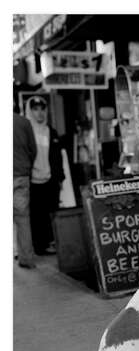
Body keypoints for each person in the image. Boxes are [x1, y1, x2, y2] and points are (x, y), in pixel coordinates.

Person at [25, 96, 64, 255]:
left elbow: (58, 157)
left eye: (42, 109)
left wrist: (60, 177)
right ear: (30, 111)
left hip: (51, 180)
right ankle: (39, 246)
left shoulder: (51, 131)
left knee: (51, 212)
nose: (39, 113)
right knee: (36, 216)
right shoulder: (26, 133)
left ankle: (51, 242)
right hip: (32, 181)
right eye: (35, 109)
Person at [13, 107, 37, 268]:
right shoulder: (24, 122)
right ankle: (26, 259)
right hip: (21, 175)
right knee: (22, 219)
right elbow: (33, 150)